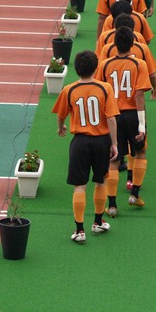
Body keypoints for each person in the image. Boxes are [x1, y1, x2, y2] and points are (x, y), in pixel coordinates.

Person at [52, 50, 119, 243]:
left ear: (76, 69)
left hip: (80, 142)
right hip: (101, 141)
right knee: (101, 181)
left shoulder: (69, 90)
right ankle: (97, 222)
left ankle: (79, 230)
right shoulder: (105, 88)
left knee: (79, 185)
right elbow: (111, 118)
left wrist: (61, 127)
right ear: (96, 67)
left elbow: (61, 115)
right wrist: (114, 143)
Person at [95, 26, 153, 214]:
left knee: (114, 158)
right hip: (132, 115)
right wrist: (141, 124)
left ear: (115, 44)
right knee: (140, 152)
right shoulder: (139, 64)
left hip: (113, 116)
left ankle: (112, 205)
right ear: (132, 44)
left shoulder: (105, 65)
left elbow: (99, 91)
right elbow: (139, 95)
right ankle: (134, 194)